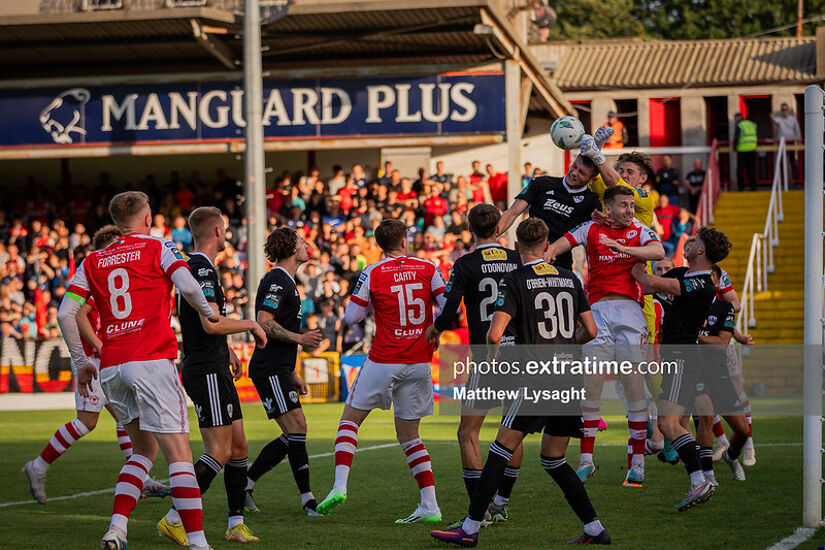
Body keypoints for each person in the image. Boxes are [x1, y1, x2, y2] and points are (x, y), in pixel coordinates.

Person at [57, 191, 220, 550]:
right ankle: (198, 542)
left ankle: (116, 529)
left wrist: (83, 362)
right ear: (146, 218)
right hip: (151, 360)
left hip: (113, 365)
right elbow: (188, 284)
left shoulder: (93, 260)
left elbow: (65, 313)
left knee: (142, 452)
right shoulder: (157, 247)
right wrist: (209, 313)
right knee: (179, 454)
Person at [430, 218, 608, 546]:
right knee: (553, 459)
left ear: (516, 248)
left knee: (500, 447)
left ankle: (470, 527)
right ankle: (595, 528)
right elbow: (592, 331)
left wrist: (493, 359)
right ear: (545, 247)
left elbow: (494, 333)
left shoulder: (516, 279)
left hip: (537, 377)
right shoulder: (571, 278)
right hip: (569, 377)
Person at [23, 226, 170, 504]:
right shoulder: (99, 275)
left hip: (108, 359)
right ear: (108, 247)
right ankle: (38, 466)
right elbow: (77, 314)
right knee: (87, 421)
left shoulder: (106, 274)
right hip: (96, 358)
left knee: (127, 418)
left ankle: (141, 478)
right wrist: (100, 346)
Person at [317, 218, 447, 523]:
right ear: (404, 240)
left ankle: (339, 486)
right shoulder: (428, 267)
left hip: (384, 358)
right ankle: (430, 505)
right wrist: (434, 328)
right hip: (418, 361)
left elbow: (351, 317)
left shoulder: (373, 271)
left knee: (349, 421)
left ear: (380, 244)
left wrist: (374, 305)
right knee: (410, 436)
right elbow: (447, 303)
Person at [156, 207, 268, 545]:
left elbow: (205, 323)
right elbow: (210, 322)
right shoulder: (199, 268)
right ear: (218, 231)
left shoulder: (201, 268)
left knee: (238, 445)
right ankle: (175, 516)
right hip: (205, 370)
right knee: (218, 451)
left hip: (214, 363)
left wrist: (228, 350)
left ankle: (236, 524)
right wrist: (250, 325)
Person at [546, 185, 664, 487]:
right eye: (623, 205)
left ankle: (637, 464)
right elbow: (556, 248)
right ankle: (586, 460)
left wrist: (622, 247)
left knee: (633, 385)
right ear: (608, 207)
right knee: (591, 384)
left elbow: (658, 252)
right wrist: (548, 267)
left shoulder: (638, 229)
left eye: (631, 205)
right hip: (596, 312)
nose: (629, 211)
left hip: (629, 312)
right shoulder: (590, 229)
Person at [424, 204, 522, 524]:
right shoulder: (516, 260)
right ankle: (502, 503)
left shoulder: (464, 263)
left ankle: (480, 513)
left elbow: (450, 310)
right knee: (512, 430)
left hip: (488, 358)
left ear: (470, 229)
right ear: (499, 228)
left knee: (468, 432)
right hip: (521, 356)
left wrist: (435, 331)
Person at [631, 226, 734, 511]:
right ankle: (700, 479)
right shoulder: (681, 273)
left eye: (695, 241)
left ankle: (699, 479)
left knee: (668, 424)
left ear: (701, 251)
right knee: (672, 423)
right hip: (675, 356)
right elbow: (649, 285)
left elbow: (646, 279)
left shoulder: (704, 284)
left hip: (683, 356)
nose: (688, 243)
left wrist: (629, 250)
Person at [245, 227, 324, 516]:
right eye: (302, 241)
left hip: (278, 369)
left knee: (294, 433)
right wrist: (300, 339)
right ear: (291, 248)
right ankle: (308, 500)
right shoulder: (278, 279)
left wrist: (291, 372)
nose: (306, 245)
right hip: (269, 369)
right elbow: (263, 321)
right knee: (298, 428)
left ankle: (247, 482)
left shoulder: (287, 281)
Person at [692, 263, 752, 487]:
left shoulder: (724, 307)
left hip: (719, 374)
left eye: (711, 279)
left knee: (742, 430)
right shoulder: (688, 306)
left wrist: (696, 336)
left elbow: (722, 342)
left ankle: (731, 456)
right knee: (705, 417)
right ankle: (707, 476)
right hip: (696, 372)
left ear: (717, 283)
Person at [496, 155, 601, 272]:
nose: (574, 173)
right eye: (574, 166)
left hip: (559, 266)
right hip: (528, 260)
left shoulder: (591, 202)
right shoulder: (542, 183)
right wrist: (488, 238)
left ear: (592, 180)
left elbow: (591, 239)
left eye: (581, 172)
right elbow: (512, 212)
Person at [734, 112, 758, 191]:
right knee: (751, 169)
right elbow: (756, 135)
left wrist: (735, 149)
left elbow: (736, 138)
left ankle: (741, 187)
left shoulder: (740, 125)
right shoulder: (752, 124)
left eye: (735, 118)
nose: (734, 120)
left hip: (742, 150)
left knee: (740, 170)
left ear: (738, 118)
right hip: (752, 149)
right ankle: (753, 187)